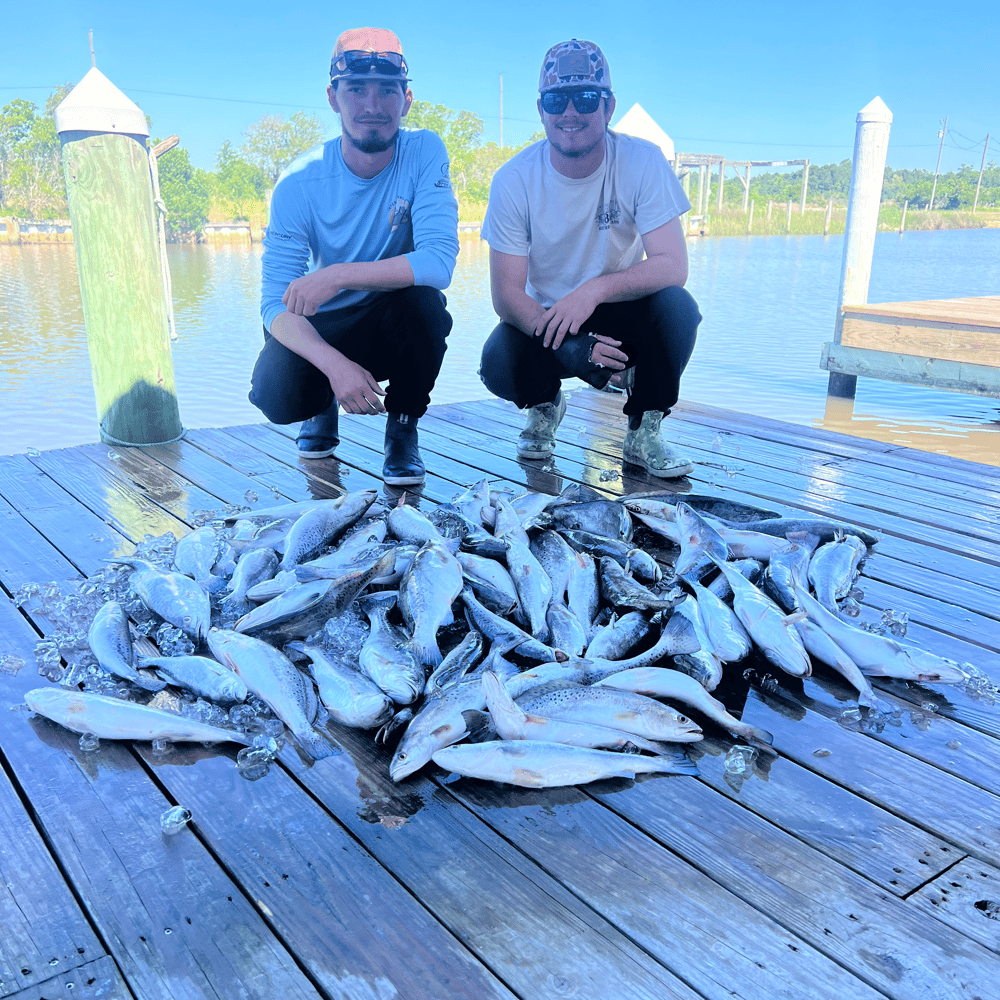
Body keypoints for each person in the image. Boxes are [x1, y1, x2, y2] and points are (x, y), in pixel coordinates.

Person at [479, 39, 702, 477]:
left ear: (608, 105)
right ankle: (544, 405)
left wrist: (594, 290)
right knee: (498, 361)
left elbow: (673, 264)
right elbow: (506, 295)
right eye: (556, 99)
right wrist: (570, 345)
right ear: (541, 109)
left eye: (585, 98)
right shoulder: (512, 180)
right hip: (551, 317)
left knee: (679, 309)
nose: (570, 113)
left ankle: (645, 425)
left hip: (623, 307)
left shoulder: (642, 161)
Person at [249, 27, 459, 486]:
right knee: (275, 395)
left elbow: (439, 262)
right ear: (333, 97)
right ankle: (321, 406)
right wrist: (333, 366)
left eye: (387, 90)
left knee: (424, 305)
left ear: (405, 100)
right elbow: (272, 304)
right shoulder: (296, 182)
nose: (372, 105)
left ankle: (403, 430)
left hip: (388, 317)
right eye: (356, 89)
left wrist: (339, 274)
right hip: (325, 325)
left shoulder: (424, 151)